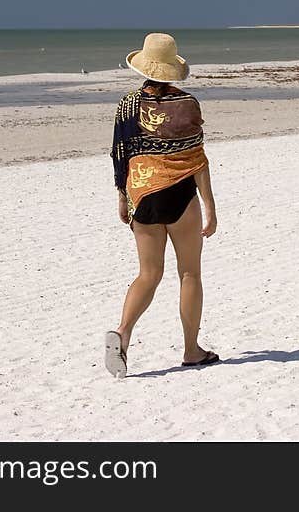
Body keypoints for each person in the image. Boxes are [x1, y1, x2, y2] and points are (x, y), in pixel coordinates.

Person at [105, 32, 219, 377]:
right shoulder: (187, 104)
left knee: (149, 273)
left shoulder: (127, 104)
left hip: (142, 194)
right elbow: (197, 159)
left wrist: (122, 196)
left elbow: (120, 154)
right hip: (181, 195)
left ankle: (122, 334)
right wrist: (210, 206)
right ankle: (191, 350)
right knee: (190, 273)